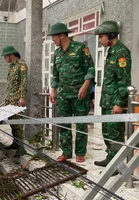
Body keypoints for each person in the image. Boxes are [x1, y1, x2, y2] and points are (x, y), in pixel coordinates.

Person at [48, 23, 95, 163]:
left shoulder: (80, 48)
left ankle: (80, 152)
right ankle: (66, 152)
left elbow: (91, 68)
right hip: (63, 95)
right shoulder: (57, 53)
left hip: (79, 94)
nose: (52, 40)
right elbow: (55, 74)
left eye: (54, 36)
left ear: (62, 35)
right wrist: (53, 90)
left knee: (81, 123)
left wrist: (85, 86)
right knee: (64, 123)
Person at [93, 21, 131, 167]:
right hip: (107, 101)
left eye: (101, 36)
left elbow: (124, 80)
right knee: (107, 133)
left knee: (115, 135)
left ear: (111, 35)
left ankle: (118, 165)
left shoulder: (121, 52)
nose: (99, 39)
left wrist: (119, 103)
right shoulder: (112, 51)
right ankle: (111, 159)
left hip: (115, 102)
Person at [1, 46, 28, 157]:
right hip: (10, 99)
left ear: (11, 55)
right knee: (12, 122)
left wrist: (22, 97)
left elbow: (23, 82)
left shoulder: (21, 65)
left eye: (5, 56)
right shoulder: (11, 67)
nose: (4, 59)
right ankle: (15, 143)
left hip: (17, 99)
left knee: (18, 124)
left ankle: (21, 148)